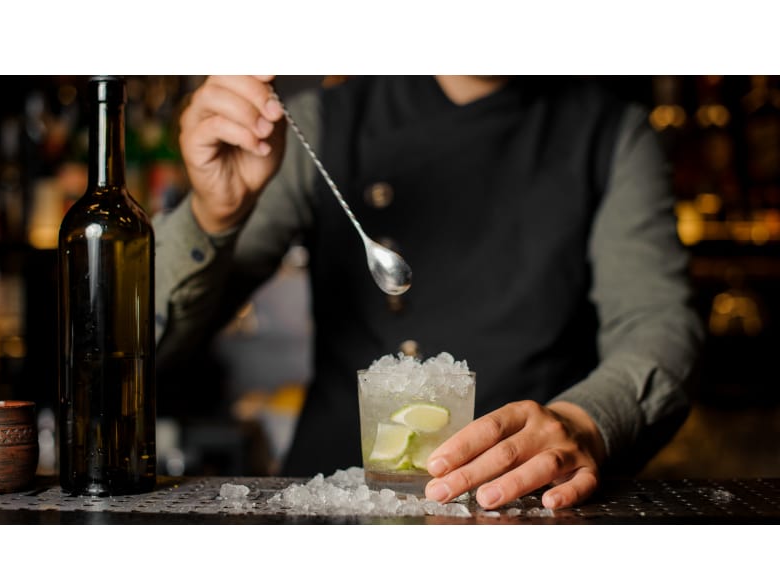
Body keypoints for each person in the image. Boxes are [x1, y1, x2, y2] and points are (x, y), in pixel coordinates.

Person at [154, 75, 703, 511]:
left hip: (527, 509)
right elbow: (146, 354)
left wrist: (584, 422)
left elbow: (657, 327)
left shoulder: (614, 135)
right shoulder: (325, 123)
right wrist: (211, 214)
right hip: (333, 506)